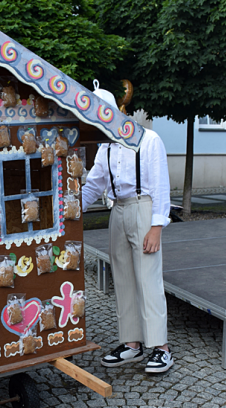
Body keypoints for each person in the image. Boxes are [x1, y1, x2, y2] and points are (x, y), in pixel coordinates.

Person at [82, 83, 173, 374]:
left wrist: (157, 226)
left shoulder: (149, 139)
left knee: (148, 278)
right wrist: (71, 211)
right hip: (118, 210)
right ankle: (132, 344)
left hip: (143, 208)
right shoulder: (105, 146)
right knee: (122, 279)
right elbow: (94, 184)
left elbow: (160, 185)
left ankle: (161, 348)